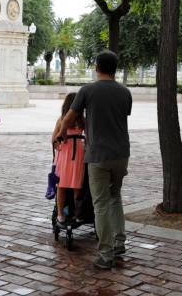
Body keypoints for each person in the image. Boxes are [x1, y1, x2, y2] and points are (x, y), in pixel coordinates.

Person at [56, 50, 132, 269]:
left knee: (100, 204)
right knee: (115, 197)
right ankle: (119, 242)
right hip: (121, 154)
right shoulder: (125, 92)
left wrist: (61, 133)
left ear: (97, 67)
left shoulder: (87, 90)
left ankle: (106, 254)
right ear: (115, 69)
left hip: (98, 154)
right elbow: (119, 117)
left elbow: (69, 117)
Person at [51, 93, 87, 226]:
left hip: (77, 155)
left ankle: (76, 213)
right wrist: (59, 140)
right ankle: (61, 213)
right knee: (62, 185)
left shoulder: (82, 120)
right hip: (66, 155)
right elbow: (53, 139)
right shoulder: (61, 120)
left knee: (76, 184)